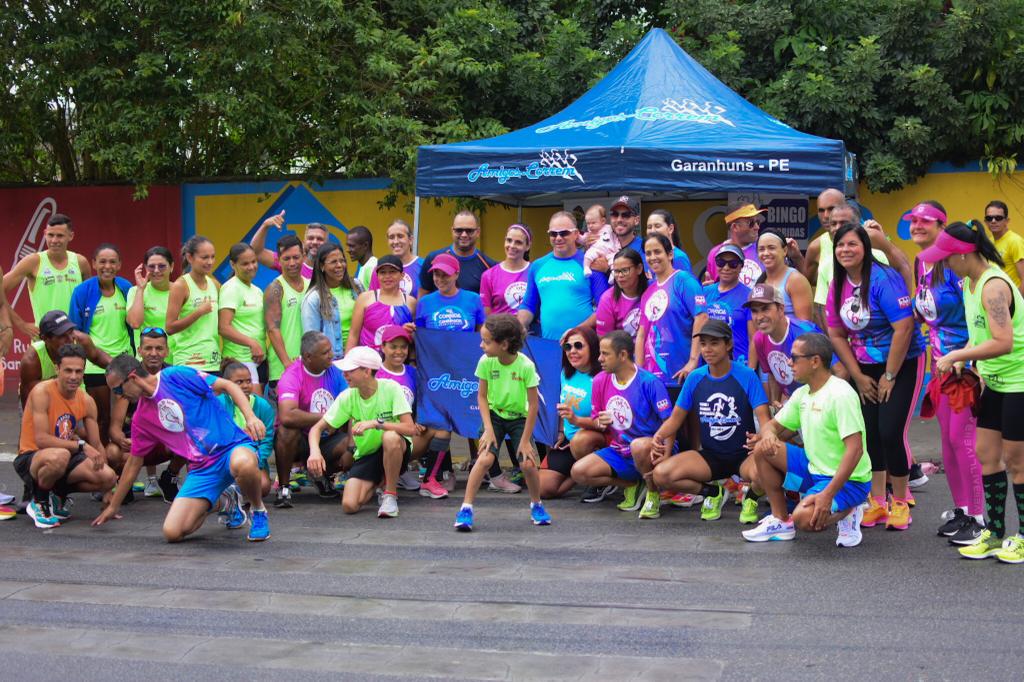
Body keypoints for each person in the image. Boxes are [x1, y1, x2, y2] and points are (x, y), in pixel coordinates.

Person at [925, 222, 1024, 562]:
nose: (944, 265)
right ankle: (995, 534)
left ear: (965, 254)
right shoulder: (969, 283)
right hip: (994, 381)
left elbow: (1004, 341)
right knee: (986, 454)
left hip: (1019, 381)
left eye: (947, 259)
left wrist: (957, 355)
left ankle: (1023, 537)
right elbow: (981, 336)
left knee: (1016, 461)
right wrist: (968, 359)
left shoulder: (993, 286)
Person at [94, 353, 270, 542]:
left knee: (243, 463)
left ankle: (258, 510)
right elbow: (133, 464)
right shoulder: (141, 418)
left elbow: (228, 385)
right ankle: (227, 501)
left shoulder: (175, 375)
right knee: (173, 532)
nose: (119, 396)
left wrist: (250, 417)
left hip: (232, 447)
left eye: (118, 389)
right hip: (202, 469)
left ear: (132, 378)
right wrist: (114, 506)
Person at [827, 222, 924, 531]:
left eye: (852, 244)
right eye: (841, 245)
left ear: (866, 248)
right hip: (864, 368)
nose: (845, 250)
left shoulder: (884, 278)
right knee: (868, 433)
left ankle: (899, 502)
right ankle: (877, 502)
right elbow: (835, 331)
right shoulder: (837, 283)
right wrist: (857, 375)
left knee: (890, 431)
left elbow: (904, 328)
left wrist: (891, 375)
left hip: (903, 361)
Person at [742, 333, 872, 547]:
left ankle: (851, 508)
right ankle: (781, 521)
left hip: (850, 481)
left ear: (815, 361)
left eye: (795, 358)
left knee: (803, 518)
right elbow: (771, 426)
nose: (789, 363)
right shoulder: (802, 394)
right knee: (763, 450)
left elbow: (855, 450)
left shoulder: (841, 394)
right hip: (814, 469)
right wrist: (767, 436)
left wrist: (828, 494)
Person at [910, 204, 984, 541]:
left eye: (926, 221)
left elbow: (977, 319)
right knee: (947, 442)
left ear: (942, 226)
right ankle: (962, 510)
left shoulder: (957, 267)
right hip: (938, 366)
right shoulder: (921, 263)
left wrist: (969, 360)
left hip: (964, 368)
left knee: (961, 440)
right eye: (913, 220)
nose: (917, 225)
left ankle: (979, 518)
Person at [649, 320, 770, 523]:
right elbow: (676, 418)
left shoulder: (747, 375)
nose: (707, 349)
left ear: (728, 344)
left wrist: (761, 437)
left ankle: (752, 496)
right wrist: (659, 436)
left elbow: (764, 418)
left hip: (744, 456)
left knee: (770, 469)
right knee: (661, 474)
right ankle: (713, 492)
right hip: (710, 456)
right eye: (703, 343)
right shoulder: (695, 378)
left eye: (714, 343)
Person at [454, 315, 550, 530]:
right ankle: (465, 509)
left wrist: (525, 440)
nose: (481, 345)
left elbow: (533, 405)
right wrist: (488, 429)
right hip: (495, 416)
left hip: (519, 418)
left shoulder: (526, 366)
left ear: (504, 344)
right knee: (485, 459)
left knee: (527, 462)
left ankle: (537, 504)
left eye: (486, 341)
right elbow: (481, 397)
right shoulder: (485, 362)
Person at [16, 344, 118, 528]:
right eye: (68, 370)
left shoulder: (86, 400)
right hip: (33, 457)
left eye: (78, 371)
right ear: (57, 368)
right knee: (60, 455)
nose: (73, 376)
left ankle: (56, 495)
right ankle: (39, 502)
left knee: (108, 476)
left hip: (63, 456)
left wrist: (108, 490)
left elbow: (97, 445)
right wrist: (82, 445)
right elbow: (42, 440)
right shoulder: (42, 392)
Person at [569, 331, 673, 508]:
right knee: (578, 472)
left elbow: (670, 422)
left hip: (649, 449)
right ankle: (633, 485)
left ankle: (653, 493)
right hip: (620, 451)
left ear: (623, 355)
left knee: (638, 445)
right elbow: (598, 422)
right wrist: (601, 421)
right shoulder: (600, 380)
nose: (599, 358)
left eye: (605, 354)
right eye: (600, 353)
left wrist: (668, 456)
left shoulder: (649, 382)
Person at [309, 346, 417, 517]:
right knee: (349, 505)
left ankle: (390, 495)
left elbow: (410, 428)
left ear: (367, 371)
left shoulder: (391, 388)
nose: (344, 374)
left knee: (390, 437)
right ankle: (381, 481)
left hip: (396, 448)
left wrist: (376, 423)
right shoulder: (347, 396)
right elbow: (317, 428)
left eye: (350, 370)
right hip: (367, 454)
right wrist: (315, 452)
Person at [414, 253, 487, 497]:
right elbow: (421, 341)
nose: (440, 278)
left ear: (457, 274)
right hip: (437, 375)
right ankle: (437, 476)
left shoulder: (473, 300)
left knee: (474, 421)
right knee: (441, 425)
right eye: (436, 273)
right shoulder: (425, 303)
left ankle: (490, 472)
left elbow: (480, 337)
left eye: (445, 273)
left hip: (466, 373)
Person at [800, 194, 912, 330]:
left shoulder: (874, 242)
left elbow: (902, 266)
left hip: (880, 334)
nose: (826, 215)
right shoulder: (822, 256)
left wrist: (906, 308)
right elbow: (812, 288)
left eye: (831, 208)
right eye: (821, 210)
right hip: (844, 336)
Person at [105, 328, 186, 501]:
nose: (153, 353)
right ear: (139, 351)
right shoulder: (126, 378)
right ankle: (122, 483)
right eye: (148, 348)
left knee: (191, 435)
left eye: (159, 348)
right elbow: (114, 428)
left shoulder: (173, 376)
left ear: (167, 351)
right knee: (112, 452)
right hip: (135, 445)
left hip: (164, 442)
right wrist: (122, 440)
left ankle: (170, 478)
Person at [273, 331, 349, 507]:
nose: (332, 355)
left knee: (353, 443)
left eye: (331, 350)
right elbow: (287, 415)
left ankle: (321, 476)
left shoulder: (335, 372)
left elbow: (350, 405)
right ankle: (284, 488)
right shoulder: (291, 376)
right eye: (325, 352)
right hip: (301, 441)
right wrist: (328, 419)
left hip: (328, 439)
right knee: (286, 431)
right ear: (308, 357)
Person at [68, 243, 134, 443]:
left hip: (125, 364)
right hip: (95, 366)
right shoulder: (82, 291)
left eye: (113, 262)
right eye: (102, 261)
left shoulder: (126, 288)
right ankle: (102, 466)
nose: (108, 266)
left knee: (125, 422)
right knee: (101, 420)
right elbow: (75, 331)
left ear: (120, 264)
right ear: (94, 263)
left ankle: (120, 469)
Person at [517, 211, 607, 340]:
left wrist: (576, 332)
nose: (558, 238)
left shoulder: (590, 263)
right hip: (548, 345)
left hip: (582, 346)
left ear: (576, 234)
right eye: (553, 234)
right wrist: (520, 325)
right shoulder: (537, 266)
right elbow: (529, 304)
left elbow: (604, 307)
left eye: (564, 233)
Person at [635, 233, 707, 395]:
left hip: (681, 375)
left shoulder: (684, 281)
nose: (653, 257)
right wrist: (639, 373)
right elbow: (641, 335)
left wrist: (693, 362)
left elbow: (702, 318)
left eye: (657, 251)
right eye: (648, 253)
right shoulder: (648, 291)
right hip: (653, 380)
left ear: (670, 254)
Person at [747, 284, 837, 407]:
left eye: (765, 309)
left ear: (781, 309)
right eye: (754, 311)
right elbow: (772, 374)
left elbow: (840, 371)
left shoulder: (805, 332)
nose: (760, 317)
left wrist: (820, 405)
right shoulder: (759, 339)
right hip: (793, 404)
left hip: (819, 404)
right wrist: (775, 403)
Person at [3, 212, 91, 337]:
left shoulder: (80, 262)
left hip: (75, 339)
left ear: (71, 236)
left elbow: (90, 301)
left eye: (60, 236)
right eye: (50, 235)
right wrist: (21, 324)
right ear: (44, 234)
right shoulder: (34, 262)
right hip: (46, 339)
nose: (54, 240)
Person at [542, 326, 601, 499]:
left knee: (581, 441)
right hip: (569, 440)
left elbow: (606, 424)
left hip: (593, 440)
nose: (572, 351)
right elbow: (563, 406)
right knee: (543, 489)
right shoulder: (565, 373)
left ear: (593, 347)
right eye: (568, 347)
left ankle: (598, 483)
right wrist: (561, 431)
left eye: (578, 346)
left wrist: (576, 421)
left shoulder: (603, 377)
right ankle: (581, 475)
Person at [18, 310, 110, 407]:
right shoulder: (31, 360)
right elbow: (29, 399)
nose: (70, 339)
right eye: (62, 336)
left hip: (75, 397)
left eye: (70, 332)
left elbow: (96, 357)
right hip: (44, 402)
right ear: (45, 338)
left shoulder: (80, 340)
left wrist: (121, 368)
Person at [376, 325, 426, 492]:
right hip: (380, 434)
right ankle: (385, 474)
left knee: (437, 430)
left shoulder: (412, 372)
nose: (399, 351)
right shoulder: (375, 374)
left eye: (403, 347)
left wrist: (419, 421)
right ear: (383, 347)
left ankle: (402, 470)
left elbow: (419, 402)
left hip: (406, 434)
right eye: (393, 346)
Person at [219, 360, 275, 497]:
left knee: (263, 486)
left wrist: (256, 464)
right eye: (239, 382)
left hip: (254, 459)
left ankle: (240, 495)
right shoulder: (219, 403)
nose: (245, 386)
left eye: (248, 381)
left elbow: (267, 441)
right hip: (225, 458)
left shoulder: (263, 406)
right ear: (226, 384)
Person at [166, 235, 221, 373]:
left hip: (213, 360)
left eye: (212, 257)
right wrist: (199, 312)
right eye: (204, 257)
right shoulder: (180, 285)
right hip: (188, 362)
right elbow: (170, 327)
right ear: (190, 258)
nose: (210, 262)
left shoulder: (215, 284)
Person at [218, 243, 267, 392]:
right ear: (233, 264)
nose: (251, 266)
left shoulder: (257, 290)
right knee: (252, 408)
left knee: (259, 407)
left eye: (253, 261)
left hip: (259, 359)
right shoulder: (231, 288)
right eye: (245, 263)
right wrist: (252, 343)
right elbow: (223, 327)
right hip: (240, 360)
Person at [264, 234, 309, 390]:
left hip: (310, 365)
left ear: (304, 256)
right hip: (283, 368)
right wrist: (287, 364)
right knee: (285, 414)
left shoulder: (312, 285)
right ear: (279, 260)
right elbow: (272, 328)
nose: (292, 263)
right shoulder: (275, 289)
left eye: (296, 257)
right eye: (286, 258)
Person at [302, 242, 360, 360]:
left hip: (360, 357)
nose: (340, 265)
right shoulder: (314, 298)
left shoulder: (357, 286)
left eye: (342, 260)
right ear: (322, 266)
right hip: (333, 361)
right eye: (333, 262)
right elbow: (312, 340)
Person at [347, 255, 416, 352]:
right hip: (368, 363)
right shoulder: (365, 299)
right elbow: (353, 335)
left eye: (392, 272)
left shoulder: (410, 302)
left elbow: (415, 337)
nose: (387, 276)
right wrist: (348, 363)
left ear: (402, 275)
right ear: (377, 275)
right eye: (383, 272)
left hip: (397, 362)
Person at [419, 211, 497, 295]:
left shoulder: (489, 266)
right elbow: (423, 295)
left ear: (478, 232)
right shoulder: (433, 259)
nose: (464, 235)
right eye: (459, 230)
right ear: (452, 231)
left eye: (469, 231)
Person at [701, 244, 754, 365]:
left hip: (739, 364)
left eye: (733, 263)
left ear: (741, 266)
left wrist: (750, 370)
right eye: (721, 262)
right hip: (709, 365)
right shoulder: (704, 292)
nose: (726, 267)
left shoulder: (749, 296)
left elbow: (753, 339)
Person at [126, 246, 177, 362]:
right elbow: (134, 323)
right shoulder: (136, 291)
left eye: (162, 266)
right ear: (145, 268)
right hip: (147, 363)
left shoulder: (181, 291)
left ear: (172, 267)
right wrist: (140, 289)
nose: (156, 270)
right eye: (151, 267)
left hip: (177, 361)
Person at [755, 229, 813, 320]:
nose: (766, 253)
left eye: (771, 248)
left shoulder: (795, 280)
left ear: (785, 251)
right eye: (761, 249)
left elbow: (805, 326)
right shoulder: (760, 282)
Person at [249, 210, 325, 279]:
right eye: (310, 238)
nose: (315, 242)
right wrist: (265, 225)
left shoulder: (333, 267)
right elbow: (256, 252)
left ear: (327, 242)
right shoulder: (291, 262)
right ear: (304, 241)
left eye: (320, 239)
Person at [704, 203, 765, 287]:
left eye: (758, 222)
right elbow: (713, 285)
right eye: (751, 223)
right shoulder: (715, 253)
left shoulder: (763, 250)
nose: (757, 227)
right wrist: (708, 290)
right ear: (735, 227)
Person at [480, 224, 531, 315]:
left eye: (518, 242)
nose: (512, 246)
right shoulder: (489, 275)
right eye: (509, 240)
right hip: (499, 328)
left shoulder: (535, 271)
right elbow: (486, 316)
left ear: (527, 246)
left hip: (529, 328)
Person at [595, 248, 646, 338]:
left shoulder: (653, 290)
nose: (620, 276)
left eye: (625, 270)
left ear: (639, 268)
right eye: (616, 271)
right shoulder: (607, 299)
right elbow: (605, 339)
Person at [588, 196, 645, 275]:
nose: (619, 219)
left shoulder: (644, 248)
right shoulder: (601, 241)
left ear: (636, 220)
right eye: (615, 214)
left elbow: (644, 284)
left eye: (626, 215)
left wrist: (607, 270)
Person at [369, 219, 423, 295]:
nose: (396, 241)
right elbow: (373, 300)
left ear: (410, 240)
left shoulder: (423, 266)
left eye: (400, 236)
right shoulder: (379, 269)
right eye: (391, 237)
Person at [983, 200, 1024, 293]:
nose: (993, 221)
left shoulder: (1015, 241)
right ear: (985, 222)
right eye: (989, 218)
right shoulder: (989, 241)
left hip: (1013, 302)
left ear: (1007, 221)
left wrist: (1017, 305)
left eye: (998, 218)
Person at [646, 209, 693, 275]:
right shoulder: (649, 257)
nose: (652, 230)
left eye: (657, 226)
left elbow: (686, 284)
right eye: (649, 227)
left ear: (670, 229)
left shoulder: (678, 257)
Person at [581, 205, 617, 274]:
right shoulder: (589, 233)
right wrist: (578, 237)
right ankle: (586, 268)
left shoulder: (609, 228)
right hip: (595, 252)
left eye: (593, 223)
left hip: (609, 252)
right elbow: (582, 239)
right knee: (588, 255)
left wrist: (607, 270)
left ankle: (613, 273)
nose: (590, 226)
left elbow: (615, 239)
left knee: (613, 259)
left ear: (603, 221)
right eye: (588, 223)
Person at [347, 225, 378, 291]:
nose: (348, 250)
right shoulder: (366, 267)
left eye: (352, 246)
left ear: (365, 245)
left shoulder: (372, 268)